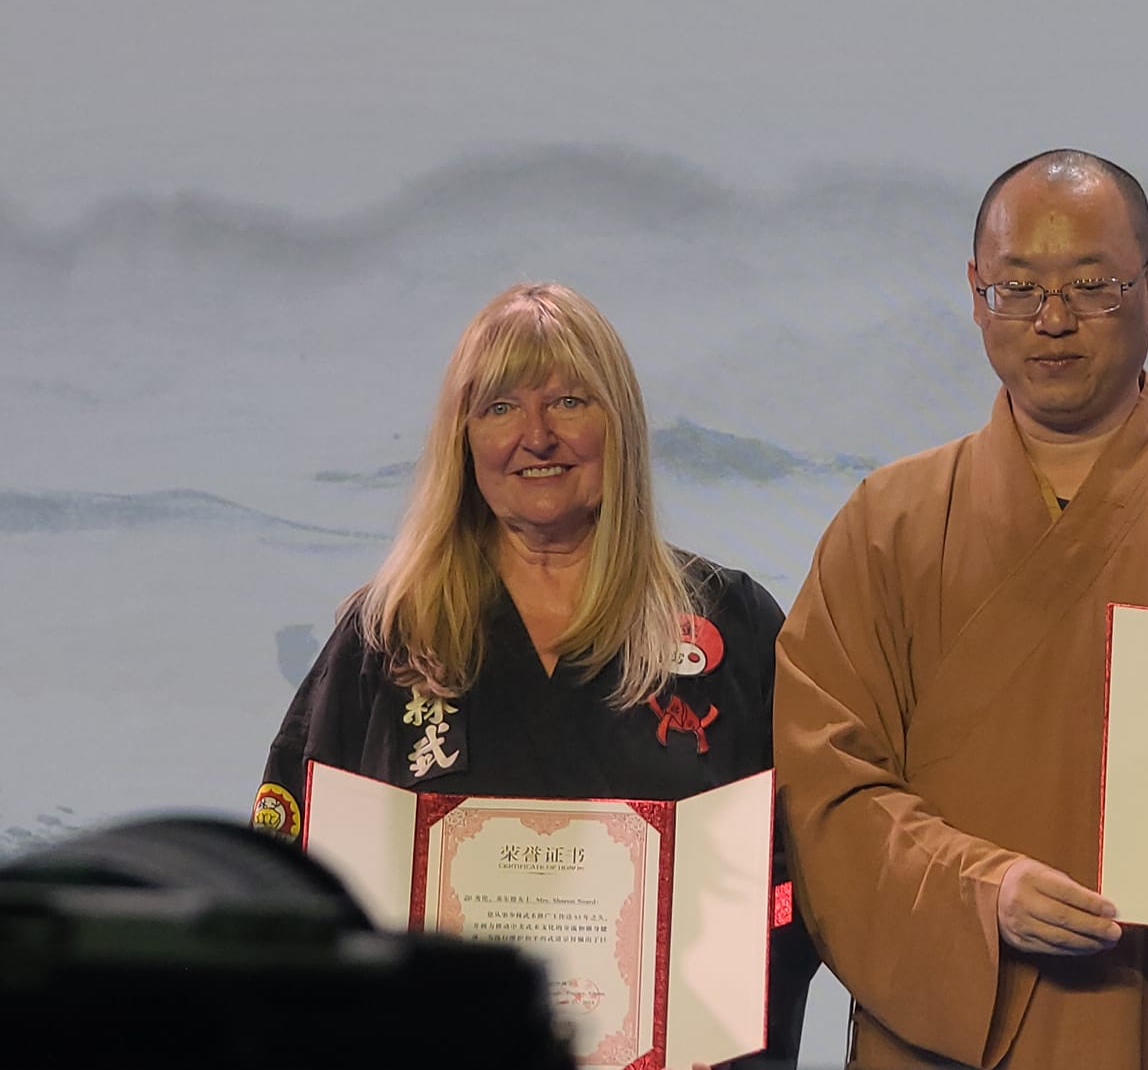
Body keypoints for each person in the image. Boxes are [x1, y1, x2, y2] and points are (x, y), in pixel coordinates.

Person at [773, 150, 1148, 1068]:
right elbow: (825, 788)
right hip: (956, 1030)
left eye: (1091, 284)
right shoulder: (885, 525)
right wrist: (982, 892)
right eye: (1016, 288)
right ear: (975, 294)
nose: (1051, 320)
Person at [255, 282, 816, 1069]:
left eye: (571, 402)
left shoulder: (730, 624)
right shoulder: (386, 637)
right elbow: (291, 875)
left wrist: (705, 1021)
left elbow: (804, 869)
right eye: (500, 408)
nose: (537, 436)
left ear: (618, 424)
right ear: (463, 438)